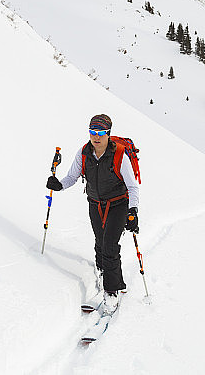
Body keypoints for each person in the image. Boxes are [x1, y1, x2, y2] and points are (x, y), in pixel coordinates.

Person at [46, 114, 139, 313]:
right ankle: (105, 272)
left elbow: (132, 186)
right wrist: (59, 185)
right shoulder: (84, 153)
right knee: (100, 241)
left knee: (110, 245)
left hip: (118, 204)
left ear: (108, 134)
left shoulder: (120, 155)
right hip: (95, 203)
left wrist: (132, 211)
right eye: (92, 132)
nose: (96, 137)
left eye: (101, 133)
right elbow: (72, 176)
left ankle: (111, 291)